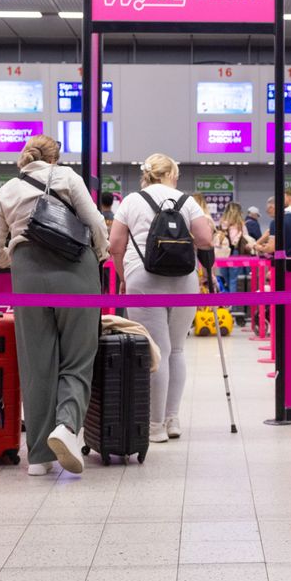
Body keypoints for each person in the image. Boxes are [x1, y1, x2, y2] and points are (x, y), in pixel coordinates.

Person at [0, 135, 109, 476]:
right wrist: (100, 253)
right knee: (78, 357)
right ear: (56, 157)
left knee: (36, 362)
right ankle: (66, 427)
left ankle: (38, 457)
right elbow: (94, 222)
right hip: (75, 270)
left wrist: (18, 259)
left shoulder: (5, 192)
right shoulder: (66, 177)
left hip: (26, 277)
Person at [109, 154, 213, 443]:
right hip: (183, 278)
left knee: (155, 350)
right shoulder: (186, 200)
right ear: (171, 174)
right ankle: (172, 418)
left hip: (142, 277)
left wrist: (122, 276)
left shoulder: (131, 200)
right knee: (176, 350)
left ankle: (154, 426)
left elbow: (115, 244)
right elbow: (205, 240)